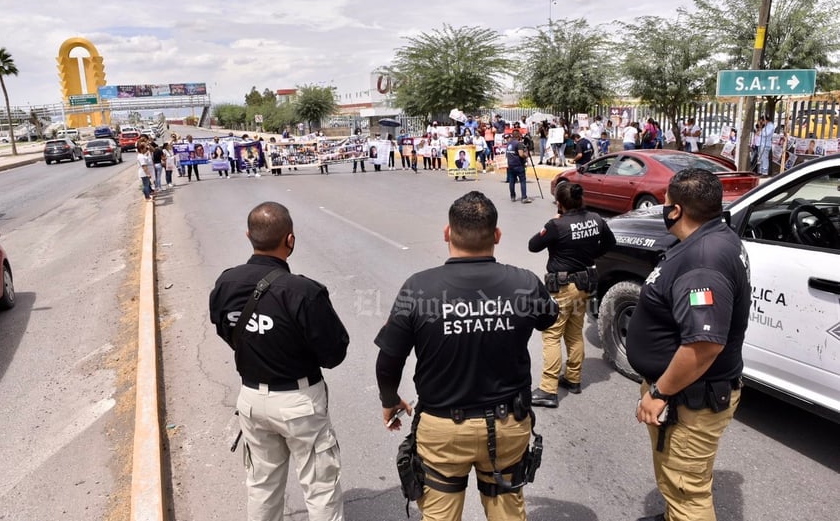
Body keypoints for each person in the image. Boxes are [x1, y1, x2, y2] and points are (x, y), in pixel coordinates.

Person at [374, 191, 558, 521]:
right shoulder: (524, 283)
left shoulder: (417, 288)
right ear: (497, 236)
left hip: (443, 430)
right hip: (508, 426)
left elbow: (389, 358)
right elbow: (549, 318)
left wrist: (389, 398)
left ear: (447, 233)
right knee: (508, 513)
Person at [209, 202, 349, 521]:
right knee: (320, 486)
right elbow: (334, 354)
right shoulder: (303, 292)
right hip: (300, 403)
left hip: (252, 401)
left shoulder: (226, 284)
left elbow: (225, 330)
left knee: (261, 486)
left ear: (249, 236)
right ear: (290, 240)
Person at [626, 169, 750, 521]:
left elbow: (704, 344)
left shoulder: (701, 262)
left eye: (666, 202)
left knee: (686, 493)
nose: (663, 208)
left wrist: (660, 392)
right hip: (690, 395)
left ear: (676, 210)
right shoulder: (712, 238)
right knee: (682, 478)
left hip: (689, 399)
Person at [529, 182, 616, 407]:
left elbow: (533, 245)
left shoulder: (557, 225)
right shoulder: (596, 219)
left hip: (564, 288)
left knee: (552, 334)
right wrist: (589, 255)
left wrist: (554, 222)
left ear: (559, 202)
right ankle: (572, 378)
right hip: (585, 283)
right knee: (574, 331)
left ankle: (548, 389)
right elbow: (610, 242)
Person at [506, 132, 531, 203]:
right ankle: (524, 197)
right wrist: (526, 155)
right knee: (522, 181)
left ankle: (512, 196)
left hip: (510, 165)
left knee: (512, 181)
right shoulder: (518, 144)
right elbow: (521, 154)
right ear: (518, 136)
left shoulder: (509, 143)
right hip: (518, 165)